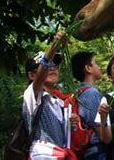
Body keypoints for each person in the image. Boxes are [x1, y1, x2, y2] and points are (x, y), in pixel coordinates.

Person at [22, 31, 79, 159]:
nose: (52, 68)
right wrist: (54, 46)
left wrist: (71, 125)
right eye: (48, 66)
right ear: (32, 75)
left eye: (55, 65)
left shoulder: (60, 103)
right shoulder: (32, 96)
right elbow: (41, 77)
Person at [71, 51, 105, 159]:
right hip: (97, 150)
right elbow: (100, 129)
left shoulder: (79, 92)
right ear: (88, 68)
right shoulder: (91, 93)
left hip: (88, 151)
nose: (99, 67)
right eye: (95, 63)